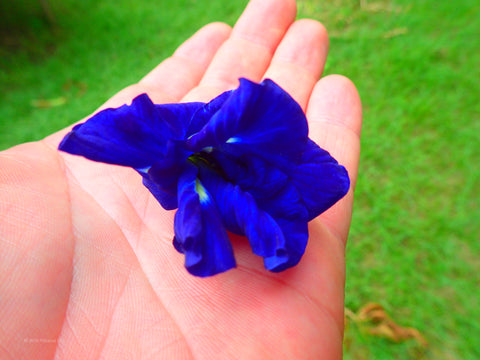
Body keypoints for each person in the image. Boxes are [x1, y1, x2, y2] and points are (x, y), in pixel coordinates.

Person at [0, 0, 362, 358]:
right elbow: (324, 179)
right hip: (210, 155)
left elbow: (325, 180)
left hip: (215, 155)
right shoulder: (183, 166)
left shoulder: (195, 166)